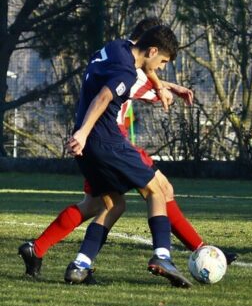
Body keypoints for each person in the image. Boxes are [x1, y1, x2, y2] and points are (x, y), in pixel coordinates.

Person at [18, 20, 236, 283]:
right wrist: (164, 90)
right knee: (158, 189)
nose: (160, 68)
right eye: (163, 61)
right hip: (109, 140)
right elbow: (111, 93)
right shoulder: (127, 72)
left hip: (89, 145)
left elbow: (146, 71)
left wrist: (162, 84)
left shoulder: (114, 48)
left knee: (107, 204)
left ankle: (72, 262)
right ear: (151, 49)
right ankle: (173, 254)